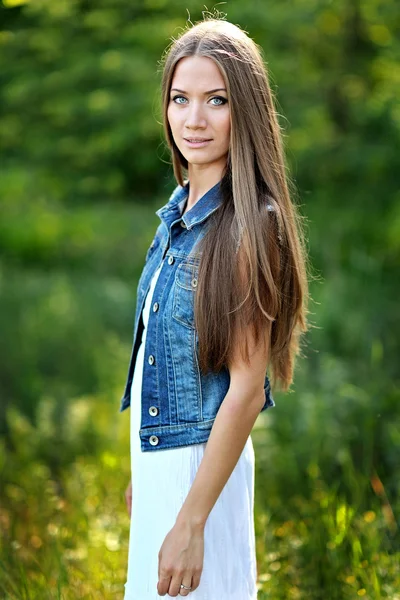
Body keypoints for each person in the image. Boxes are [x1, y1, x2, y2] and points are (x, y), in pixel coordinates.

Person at [121, 13, 310, 600]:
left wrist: (192, 519)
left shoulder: (250, 227)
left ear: (245, 110)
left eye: (216, 100)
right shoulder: (175, 218)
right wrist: (143, 479)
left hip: (201, 481)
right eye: (180, 98)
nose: (193, 119)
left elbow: (247, 389)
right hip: (162, 473)